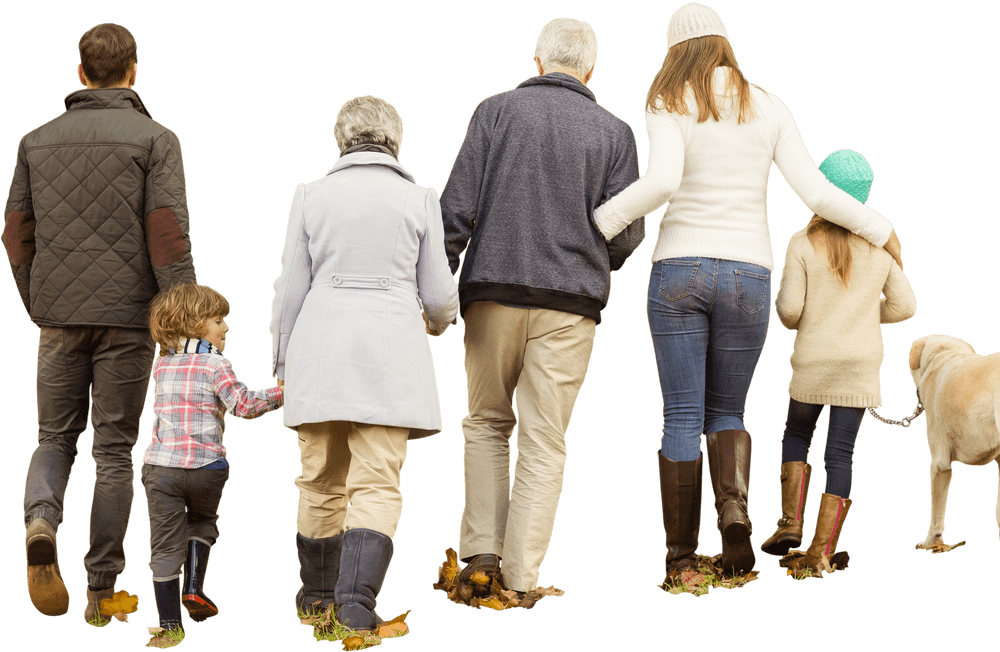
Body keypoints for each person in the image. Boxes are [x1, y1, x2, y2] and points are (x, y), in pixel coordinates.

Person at [590, 3, 904, 580]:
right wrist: (881, 230)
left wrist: (598, 224)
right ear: (725, 45)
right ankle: (735, 520)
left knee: (681, 412)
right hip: (748, 274)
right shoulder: (771, 106)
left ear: (676, 50)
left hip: (679, 268)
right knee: (728, 409)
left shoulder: (666, 99)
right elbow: (815, 192)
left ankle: (682, 561)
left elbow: (663, 182)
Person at [441, 17, 645, 597]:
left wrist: (435, 287)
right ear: (590, 69)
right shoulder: (616, 132)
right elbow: (627, 233)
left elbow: (455, 209)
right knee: (543, 439)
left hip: (491, 295)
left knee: (485, 424)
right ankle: (521, 577)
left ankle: (480, 555)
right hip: (570, 305)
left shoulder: (494, 110)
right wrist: (590, 261)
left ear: (537, 62)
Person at [2, 23, 196, 620]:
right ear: (134, 71)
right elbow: (165, 234)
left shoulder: (35, 140)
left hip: (59, 317)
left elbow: (15, 234)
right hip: (129, 320)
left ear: (80, 73)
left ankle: (41, 520)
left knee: (54, 437)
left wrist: (38, 301)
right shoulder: (156, 138)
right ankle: (101, 590)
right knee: (114, 450)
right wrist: (182, 318)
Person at [269, 95, 458, 630]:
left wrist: (283, 361)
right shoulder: (420, 200)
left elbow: (290, 291)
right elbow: (442, 296)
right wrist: (435, 324)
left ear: (341, 140)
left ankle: (316, 599)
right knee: (376, 482)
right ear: (395, 142)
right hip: (391, 352)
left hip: (319, 350)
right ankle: (356, 605)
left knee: (319, 481)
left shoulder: (309, 195)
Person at [766, 149, 916, 573]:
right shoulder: (879, 245)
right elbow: (906, 306)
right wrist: (866, 313)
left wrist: (816, 313)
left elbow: (790, 311)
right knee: (841, 454)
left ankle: (789, 523)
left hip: (814, 359)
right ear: (864, 197)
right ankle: (821, 552)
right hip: (859, 365)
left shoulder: (801, 242)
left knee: (796, 434)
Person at [141, 282, 284, 634]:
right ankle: (193, 587)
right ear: (194, 323)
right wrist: (285, 392)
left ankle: (169, 625)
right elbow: (243, 405)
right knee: (202, 522)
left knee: (163, 543)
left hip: (160, 468)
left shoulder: (161, 365)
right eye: (218, 320)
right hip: (207, 468)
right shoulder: (215, 363)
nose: (226, 327)